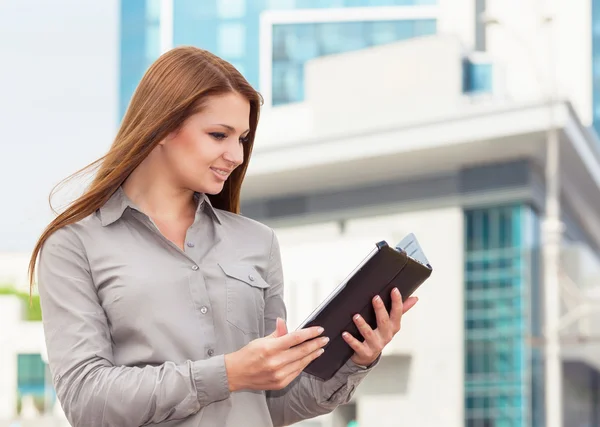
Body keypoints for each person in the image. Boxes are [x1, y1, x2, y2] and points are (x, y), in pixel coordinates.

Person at [28, 46, 418, 427]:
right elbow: (85, 400)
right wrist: (228, 373)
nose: (236, 155)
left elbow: (275, 406)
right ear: (162, 126)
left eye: (243, 139)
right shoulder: (73, 245)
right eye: (219, 135)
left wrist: (357, 359)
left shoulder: (257, 243)